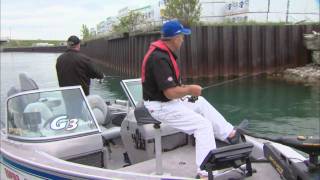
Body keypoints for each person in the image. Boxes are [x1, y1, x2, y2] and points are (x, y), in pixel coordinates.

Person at [141, 20, 240, 178]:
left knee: (199, 101)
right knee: (203, 126)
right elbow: (170, 93)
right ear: (175, 38)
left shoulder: (164, 53)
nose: (183, 40)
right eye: (182, 36)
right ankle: (205, 172)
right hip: (160, 106)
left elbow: (171, 89)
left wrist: (188, 91)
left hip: (167, 102)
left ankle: (229, 133)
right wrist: (190, 89)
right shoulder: (159, 58)